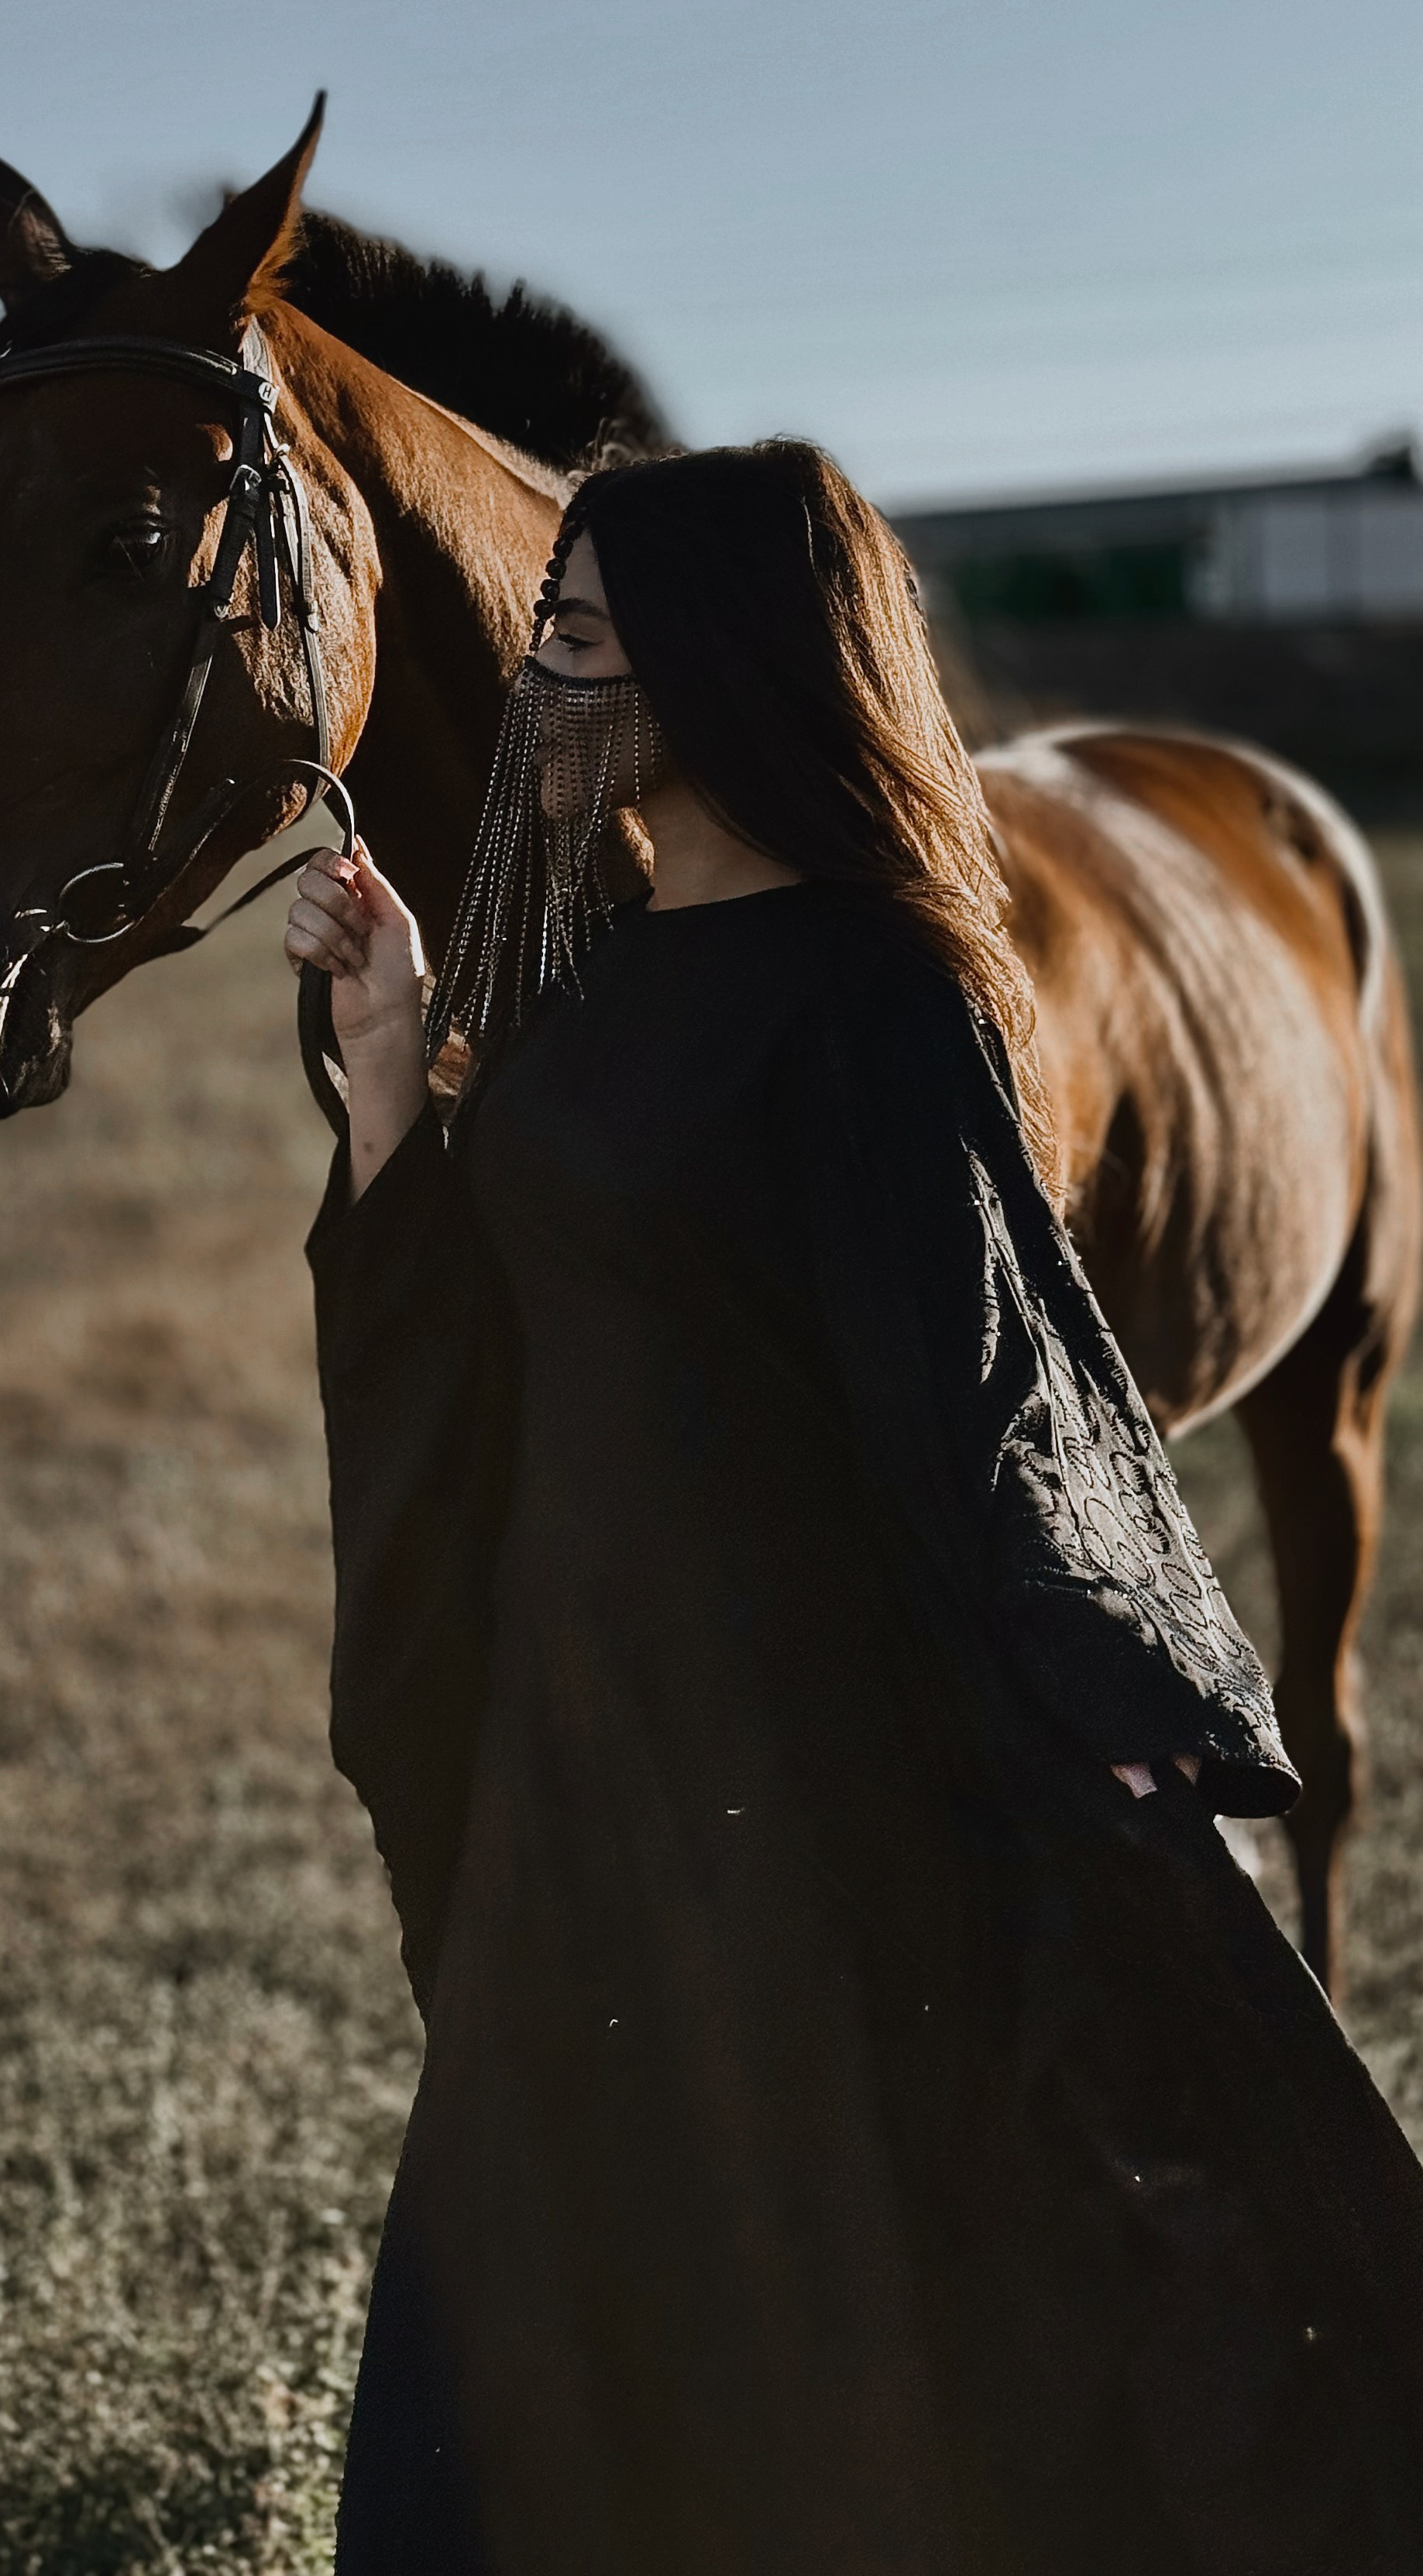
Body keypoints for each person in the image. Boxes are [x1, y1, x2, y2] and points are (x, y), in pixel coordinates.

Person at [285, 441, 1423, 2576]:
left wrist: (1089, 1733)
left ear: (721, 667)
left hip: (794, 1779)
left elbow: (990, 1393)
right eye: (545, 634)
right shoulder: (598, 971)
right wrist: (390, 1070)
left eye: (583, 643)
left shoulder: (876, 990)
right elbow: (532, 1325)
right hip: (589, 1743)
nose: (536, 687)